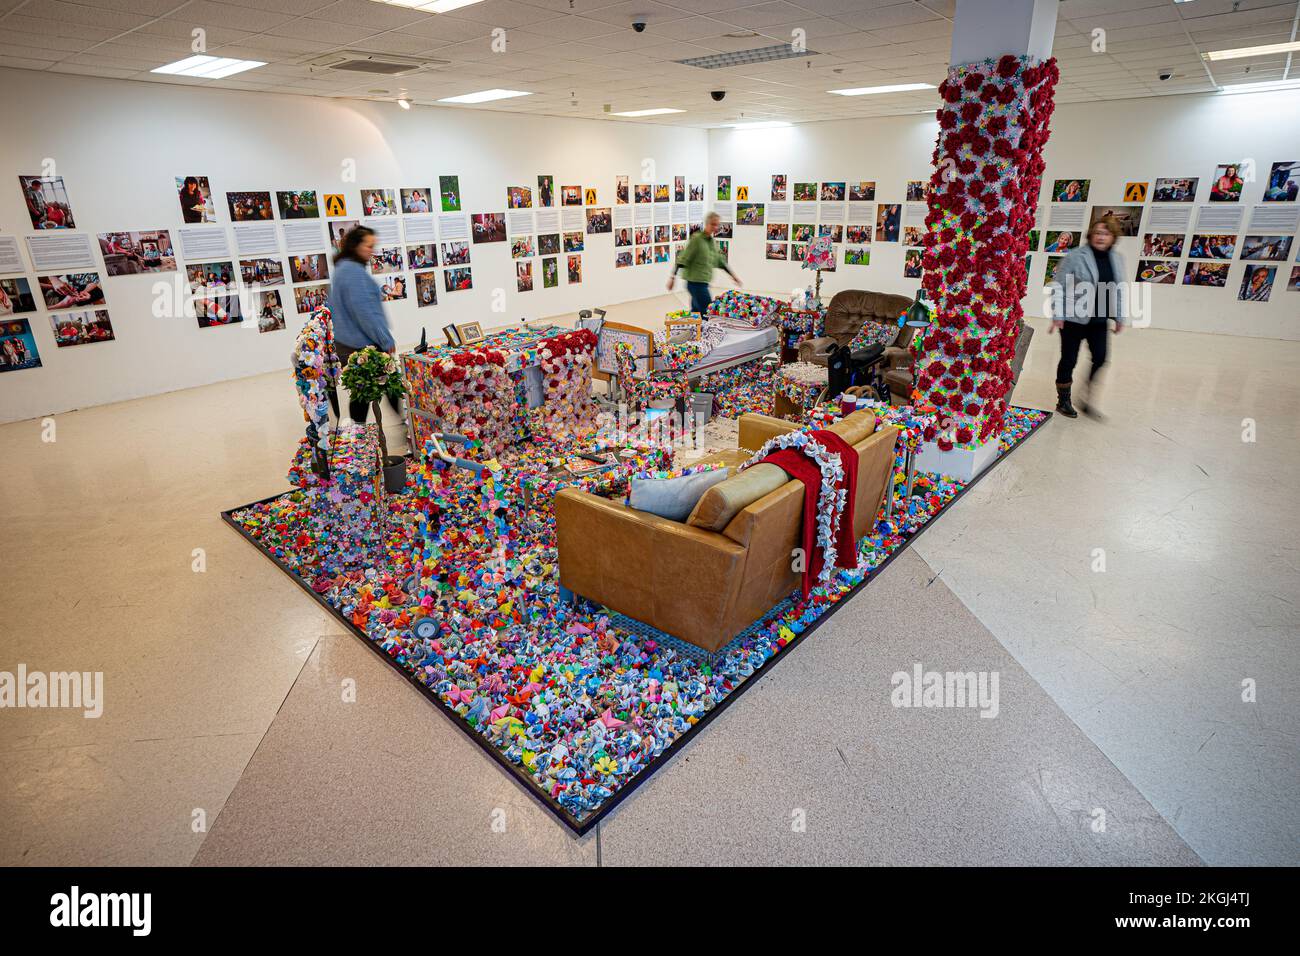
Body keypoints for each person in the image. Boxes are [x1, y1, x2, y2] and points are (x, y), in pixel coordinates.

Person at [1048, 214, 1127, 419]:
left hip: (1100, 319)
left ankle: (1086, 396)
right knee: (1069, 359)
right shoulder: (1076, 255)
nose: (1101, 237)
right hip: (1074, 318)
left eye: (1106, 233)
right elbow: (1059, 285)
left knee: (1101, 358)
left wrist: (1120, 317)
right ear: (1091, 235)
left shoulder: (1117, 259)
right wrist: (1058, 314)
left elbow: (1119, 289)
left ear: (1113, 237)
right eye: (1098, 233)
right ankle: (1063, 400)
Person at [326, 226, 399, 423]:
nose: (372, 250)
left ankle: (359, 433)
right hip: (362, 345)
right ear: (356, 246)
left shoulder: (342, 269)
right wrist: (385, 339)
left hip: (347, 343)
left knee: (362, 392)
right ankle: (402, 425)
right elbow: (365, 313)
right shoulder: (354, 273)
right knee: (389, 384)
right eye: (369, 246)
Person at [667, 211, 739, 315]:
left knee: (696, 313)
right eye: (713, 224)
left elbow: (720, 261)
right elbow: (682, 258)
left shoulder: (712, 242)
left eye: (717, 224)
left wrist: (733, 276)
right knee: (708, 312)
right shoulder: (696, 239)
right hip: (695, 284)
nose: (715, 227)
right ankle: (700, 329)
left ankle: (694, 329)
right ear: (707, 223)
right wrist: (672, 277)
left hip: (703, 284)